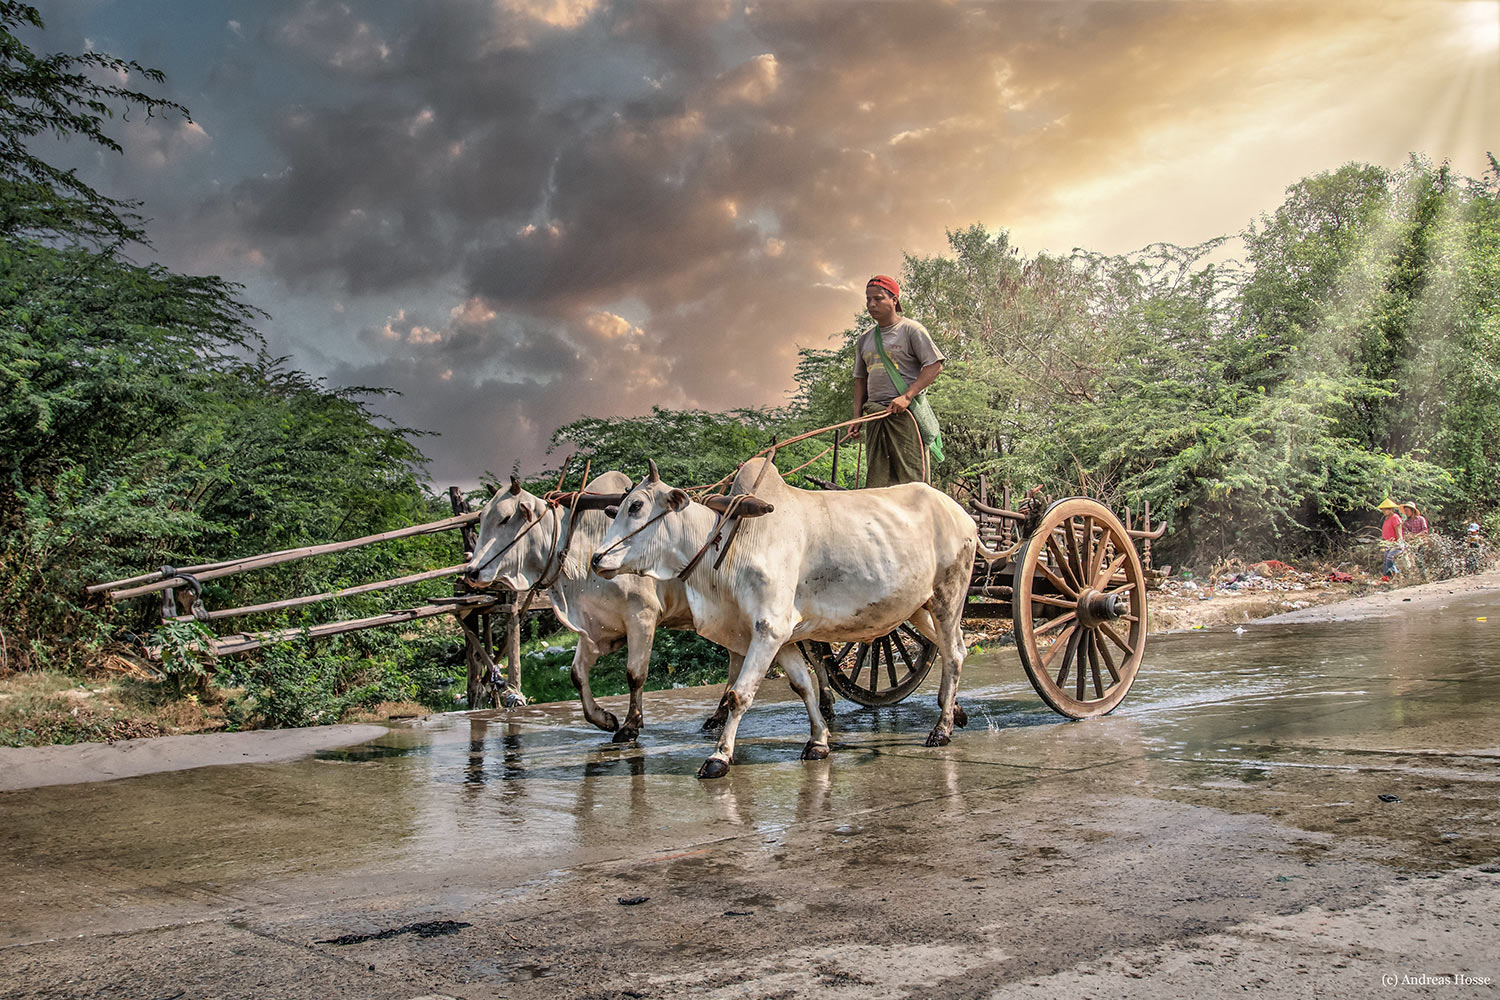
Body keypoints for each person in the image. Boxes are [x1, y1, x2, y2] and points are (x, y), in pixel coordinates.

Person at [844, 275, 945, 488]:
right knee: (878, 481)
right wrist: (856, 418)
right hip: (875, 416)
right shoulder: (865, 339)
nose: (871, 304)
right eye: (868, 299)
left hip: (903, 415)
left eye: (878, 299)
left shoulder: (911, 330)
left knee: (911, 482)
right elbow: (860, 381)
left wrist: (907, 396)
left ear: (894, 300)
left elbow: (934, 366)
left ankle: (918, 519)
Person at [1379, 497, 1403, 582]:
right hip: (1388, 544)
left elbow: (1398, 530)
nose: (1383, 511)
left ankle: (1396, 574)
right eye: (1383, 510)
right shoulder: (1386, 519)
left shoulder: (1395, 517)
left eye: (1385, 509)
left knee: (1390, 557)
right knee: (1385, 559)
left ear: (1390, 509)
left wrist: (1399, 542)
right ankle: (1387, 577)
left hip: (1395, 543)